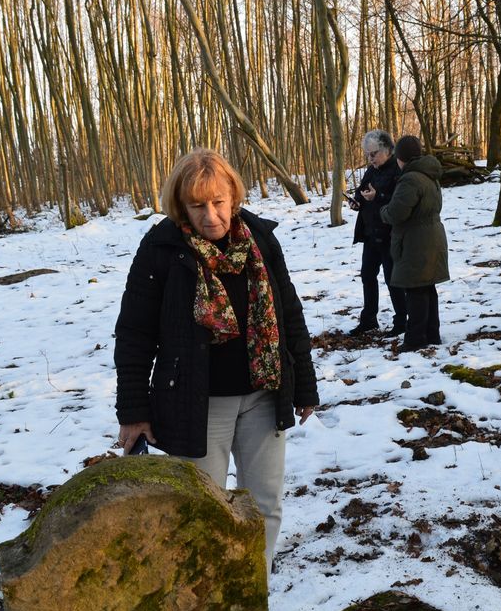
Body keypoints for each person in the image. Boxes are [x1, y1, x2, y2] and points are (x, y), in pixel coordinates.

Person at [114, 148, 319, 571]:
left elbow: (289, 313)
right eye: (198, 205)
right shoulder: (161, 248)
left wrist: (306, 384)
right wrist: (133, 410)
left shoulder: (260, 239)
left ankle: (251, 592)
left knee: (264, 503)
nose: (211, 215)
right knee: (200, 509)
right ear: (181, 206)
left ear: (233, 197)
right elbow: (134, 334)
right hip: (196, 404)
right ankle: (208, 601)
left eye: (218, 202)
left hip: (265, 394)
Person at [380, 136, 450, 352]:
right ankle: (431, 333)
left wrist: (383, 210)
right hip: (432, 237)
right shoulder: (430, 175)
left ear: (401, 158)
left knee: (416, 291)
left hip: (416, 241)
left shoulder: (410, 179)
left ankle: (415, 338)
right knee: (427, 289)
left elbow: (397, 213)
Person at [348, 130, 406, 336]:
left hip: (389, 234)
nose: (370, 158)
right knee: (367, 276)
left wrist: (378, 196)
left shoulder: (397, 170)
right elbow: (362, 191)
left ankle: (402, 321)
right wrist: (357, 201)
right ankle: (369, 319)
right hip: (370, 233)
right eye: (367, 154)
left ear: (387, 150)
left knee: (393, 279)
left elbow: (399, 201)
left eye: (374, 153)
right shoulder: (371, 170)